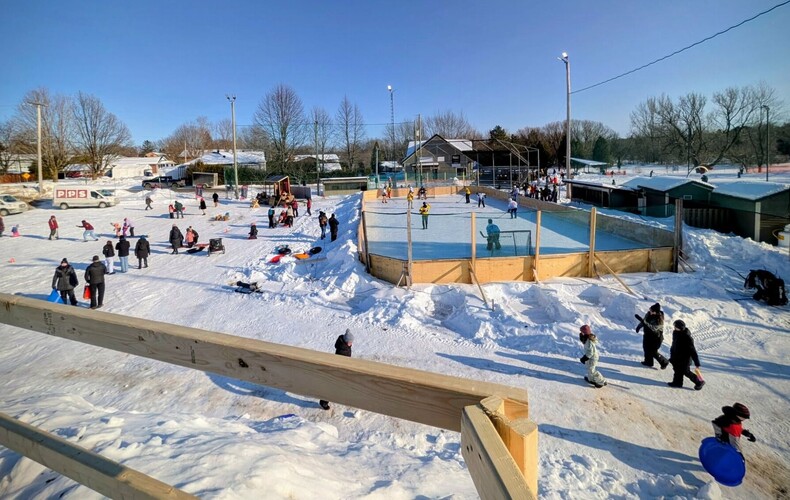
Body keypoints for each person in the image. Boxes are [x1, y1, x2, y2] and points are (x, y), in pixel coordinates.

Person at [319, 329, 354, 410]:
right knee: (332, 387)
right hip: (339, 370)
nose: (351, 344)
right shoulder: (342, 350)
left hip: (342, 368)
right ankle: (324, 402)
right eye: (350, 342)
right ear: (346, 341)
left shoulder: (344, 345)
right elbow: (341, 361)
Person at [668, 319, 705, 390]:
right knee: (677, 369)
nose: (674, 328)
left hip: (685, 358)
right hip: (677, 356)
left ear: (680, 328)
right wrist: (672, 353)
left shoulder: (687, 337)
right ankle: (677, 383)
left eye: (675, 327)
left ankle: (699, 381)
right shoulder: (675, 333)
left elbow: (693, 351)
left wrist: (697, 362)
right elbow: (674, 344)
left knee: (686, 371)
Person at [637, 303, 668, 369]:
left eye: (651, 310)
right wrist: (639, 326)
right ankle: (648, 362)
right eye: (650, 310)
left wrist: (644, 322)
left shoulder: (660, 319)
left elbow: (653, 328)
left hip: (656, 337)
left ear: (655, 312)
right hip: (647, 335)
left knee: (653, 351)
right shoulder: (648, 314)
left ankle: (664, 361)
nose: (649, 311)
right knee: (646, 348)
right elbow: (644, 320)